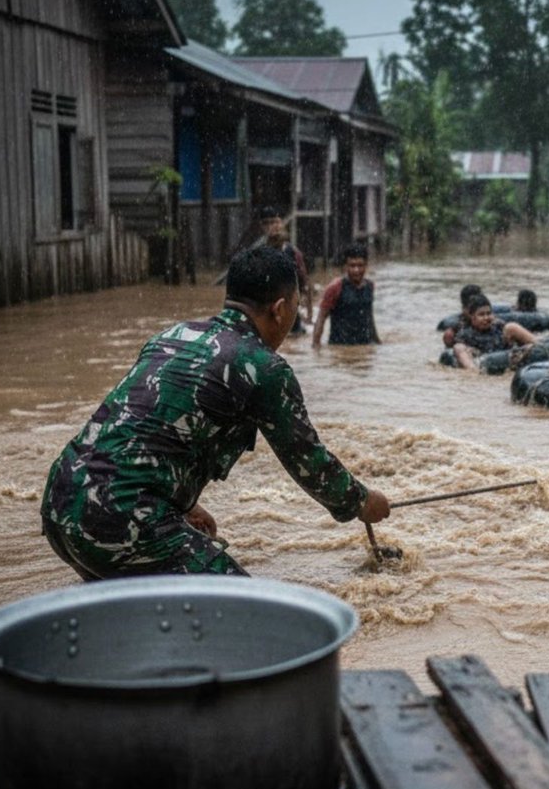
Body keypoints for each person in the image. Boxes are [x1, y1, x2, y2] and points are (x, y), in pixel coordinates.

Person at [40, 246, 390, 580]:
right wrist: (362, 502)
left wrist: (182, 506)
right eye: (296, 307)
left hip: (61, 503)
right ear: (280, 309)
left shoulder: (174, 335)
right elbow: (311, 465)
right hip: (118, 518)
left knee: (136, 615)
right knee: (250, 615)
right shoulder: (263, 367)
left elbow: (138, 432)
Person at [312, 243, 379, 346]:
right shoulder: (335, 288)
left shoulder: (369, 286)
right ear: (345, 266)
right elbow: (321, 318)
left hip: (365, 347)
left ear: (366, 265)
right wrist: (316, 345)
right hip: (339, 347)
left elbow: (369, 317)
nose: (356, 270)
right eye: (352, 266)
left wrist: (377, 342)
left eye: (360, 265)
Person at [259, 208, 313, 334]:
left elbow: (306, 284)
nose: (272, 226)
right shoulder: (260, 254)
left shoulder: (293, 252)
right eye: (267, 223)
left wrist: (309, 315)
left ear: (281, 223)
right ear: (262, 227)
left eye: (274, 222)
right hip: (269, 312)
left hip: (290, 311)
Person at [452, 292, 536, 371]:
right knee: (458, 347)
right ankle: (473, 371)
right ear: (472, 317)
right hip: (482, 363)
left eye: (489, 313)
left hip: (508, 358)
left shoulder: (499, 326)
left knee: (511, 327)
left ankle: (543, 347)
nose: (486, 318)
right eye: (481, 314)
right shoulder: (464, 335)